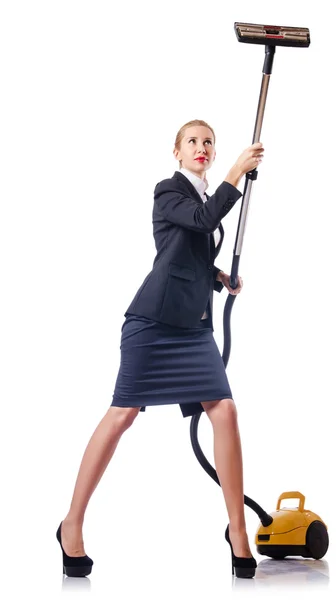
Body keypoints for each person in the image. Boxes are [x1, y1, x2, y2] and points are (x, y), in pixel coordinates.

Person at [56, 119, 264, 578]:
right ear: (177, 152)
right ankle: (71, 523)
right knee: (122, 414)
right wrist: (234, 174)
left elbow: (187, 253)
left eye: (209, 141)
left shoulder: (207, 199)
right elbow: (200, 223)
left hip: (193, 329)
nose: (202, 147)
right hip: (152, 323)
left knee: (224, 410)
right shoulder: (167, 191)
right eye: (192, 141)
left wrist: (218, 278)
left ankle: (237, 529)